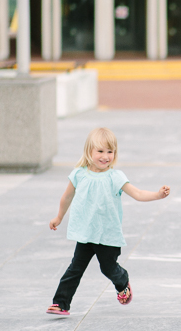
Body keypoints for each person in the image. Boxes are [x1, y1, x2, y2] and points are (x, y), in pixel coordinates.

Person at [46, 127, 170, 315]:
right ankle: (61, 303)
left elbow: (137, 193)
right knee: (75, 269)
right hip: (86, 233)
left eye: (110, 152)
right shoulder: (79, 174)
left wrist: (157, 195)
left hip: (107, 234)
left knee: (108, 268)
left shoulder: (115, 177)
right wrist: (59, 217)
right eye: (100, 151)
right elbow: (67, 196)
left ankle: (122, 281)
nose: (105, 156)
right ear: (89, 152)